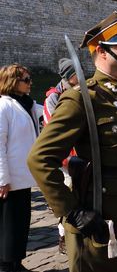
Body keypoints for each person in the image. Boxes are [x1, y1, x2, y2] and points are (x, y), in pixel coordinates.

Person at [28, 11, 117, 272]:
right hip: (101, 215)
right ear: (102, 51)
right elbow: (39, 159)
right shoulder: (82, 99)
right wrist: (72, 212)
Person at [0, 64, 39, 272]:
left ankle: (16, 261)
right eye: (26, 80)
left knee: (21, 222)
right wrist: (2, 178)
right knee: (8, 224)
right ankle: (6, 264)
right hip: (9, 177)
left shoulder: (27, 103)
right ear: (13, 81)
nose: (30, 83)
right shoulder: (3, 106)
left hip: (23, 175)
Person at [42, 57, 81, 255]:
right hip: (66, 157)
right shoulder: (53, 97)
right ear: (68, 76)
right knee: (66, 196)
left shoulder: (82, 91)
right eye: (75, 72)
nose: (79, 74)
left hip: (82, 155)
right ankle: (63, 236)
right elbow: (53, 126)